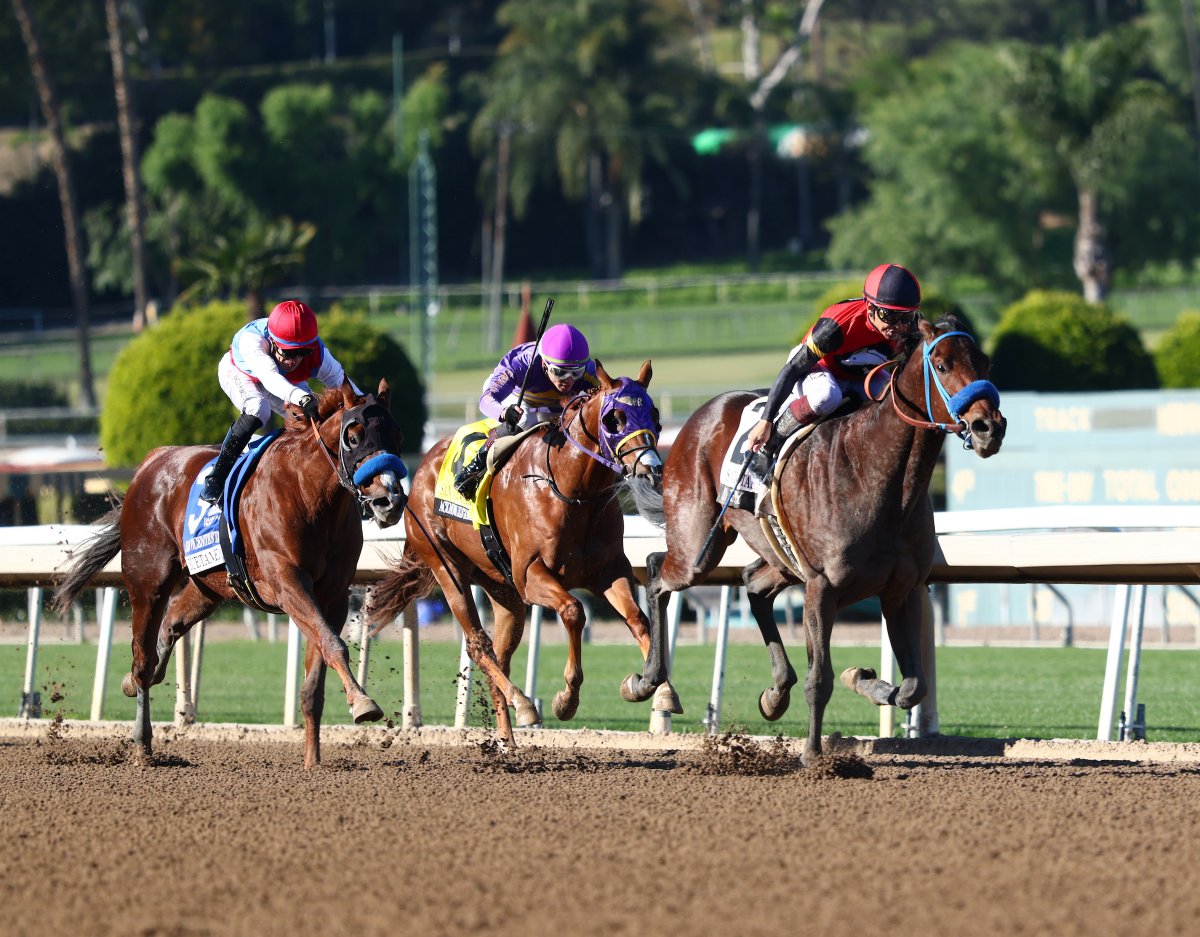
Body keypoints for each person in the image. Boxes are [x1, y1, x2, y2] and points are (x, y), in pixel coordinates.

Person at [745, 263, 923, 475]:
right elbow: (792, 369)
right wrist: (765, 421)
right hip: (817, 366)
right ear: (870, 308)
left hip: (860, 374)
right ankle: (769, 445)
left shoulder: (912, 328)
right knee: (828, 395)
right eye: (889, 316)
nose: (898, 326)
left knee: (896, 399)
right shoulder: (837, 325)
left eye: (905, 316)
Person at [199, 299, 362, 503]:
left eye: (303, 352)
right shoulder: (252, 341)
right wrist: (302, 397)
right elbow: (270, 379)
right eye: (289, 352)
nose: (295, 360)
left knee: (313, 420)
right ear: (273, 342)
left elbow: (344, 384)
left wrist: (366, 406)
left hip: (283, 381)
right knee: (258, 408)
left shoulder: (318, 352)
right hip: (240, 373)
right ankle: (216, 478)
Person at [453, 322, 600, 498]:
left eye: (576, 373)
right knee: (525, 420)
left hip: (556, 403)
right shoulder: (522, 364)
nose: (568, 380)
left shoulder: (589, 370)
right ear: (544, 363)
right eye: (560, 372)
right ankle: (474, 468)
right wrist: (505, 412)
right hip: (517, 397)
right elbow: (486, 400)